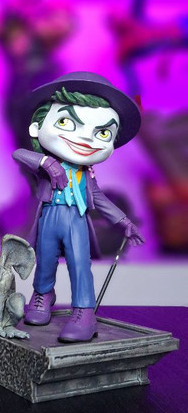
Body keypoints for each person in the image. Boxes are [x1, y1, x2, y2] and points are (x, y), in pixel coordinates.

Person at [13, 71, 144, 343]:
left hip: (76, 220)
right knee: (45, 260)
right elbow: (19, 154)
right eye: (66, 122)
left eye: (103, 132)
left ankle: (84, 312)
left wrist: (125, 223)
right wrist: (46, 163)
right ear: (37, 128)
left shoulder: (87, 176)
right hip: (49, 216)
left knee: (79, 265)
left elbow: (101, 200)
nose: (86, 139)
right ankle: (43, 295)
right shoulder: (45, 165)